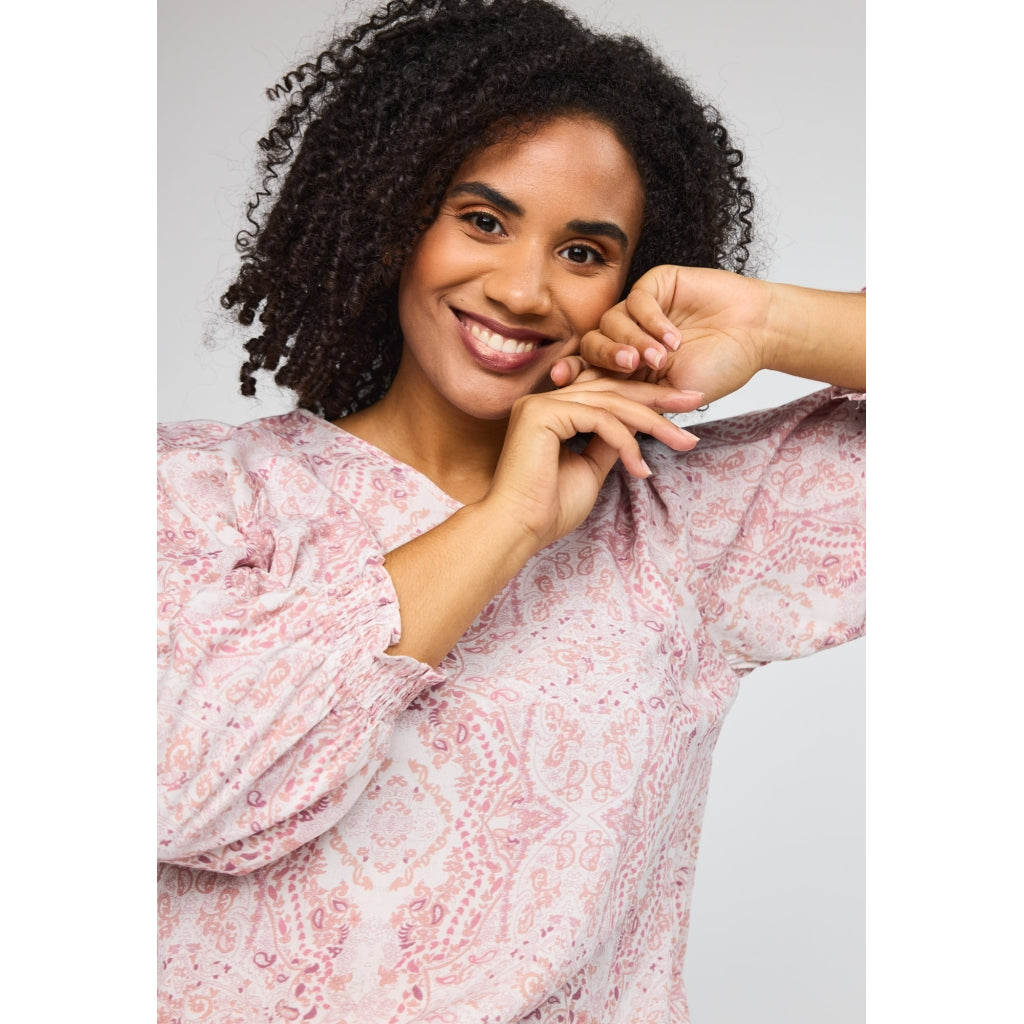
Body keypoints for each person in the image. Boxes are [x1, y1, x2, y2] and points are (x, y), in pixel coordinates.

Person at [157, 0, 865, 1020]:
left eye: (584, 252)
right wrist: (508, 522)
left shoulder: (681, 526)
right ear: (395, 214)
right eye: (483, 221)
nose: (526, 289)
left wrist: (769, 320)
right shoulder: (192, 495)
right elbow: (184, 793)